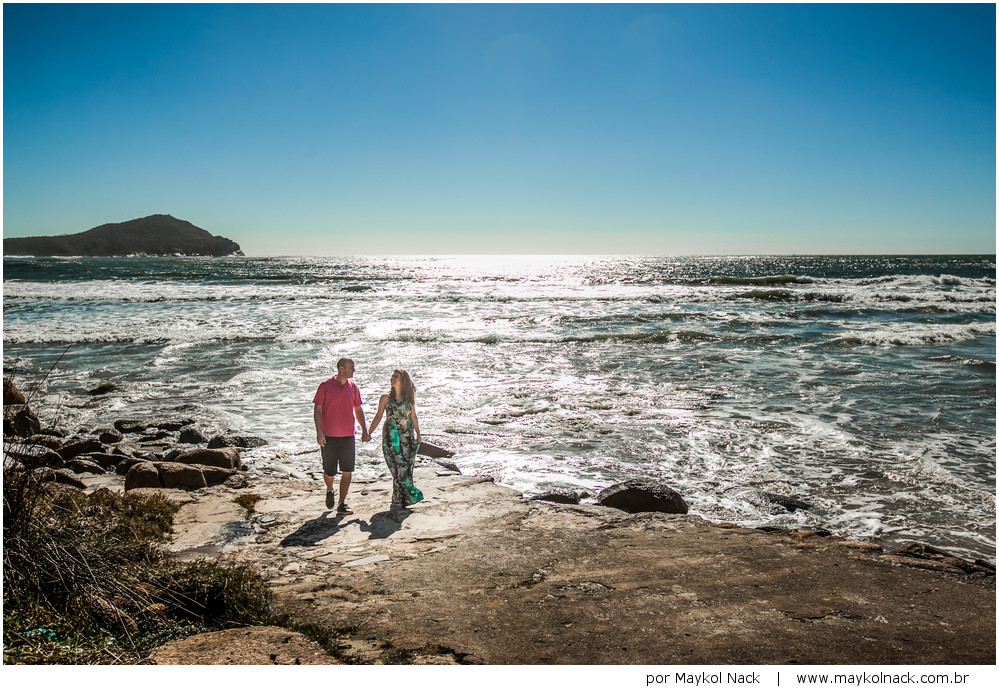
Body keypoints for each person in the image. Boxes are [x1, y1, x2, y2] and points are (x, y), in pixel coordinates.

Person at [313, 357, 370, 513]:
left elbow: (358, 410)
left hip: (348, 436)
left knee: (347, 470)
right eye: (351, 367)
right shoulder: (325, 386)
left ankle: (341, 503)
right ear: (341, 369)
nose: (354, 370)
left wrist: (364, 430)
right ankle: (330, 489)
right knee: (329, 471)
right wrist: (319, 432)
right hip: (329, 436)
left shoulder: (353, 387)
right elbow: (317, 410)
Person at [367, 369, 424, 509]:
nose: (392, 378)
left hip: (408, 437)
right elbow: (378, 416)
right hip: (392, 438)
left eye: (396, 377)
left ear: (403, 381)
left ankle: (398, 497)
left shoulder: (409, 398)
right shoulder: (385, 398)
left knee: (407, 467)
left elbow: (413, 416)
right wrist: (368, 432)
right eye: (392, 376)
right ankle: (405, 495)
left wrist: (418, 434)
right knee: (397, 467)